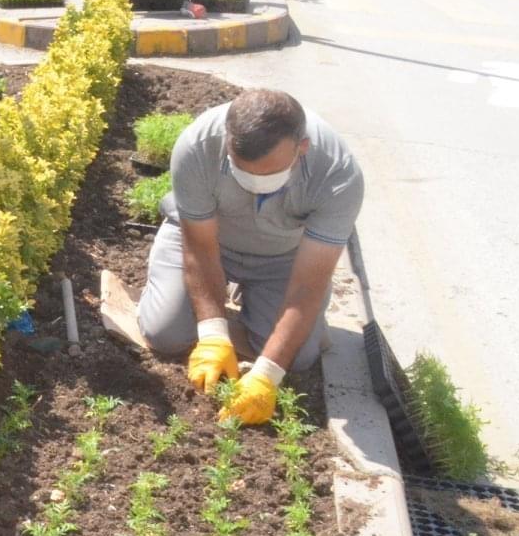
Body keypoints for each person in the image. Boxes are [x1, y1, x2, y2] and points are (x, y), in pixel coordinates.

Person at [136, 90, 363, 425]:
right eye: (243, 171)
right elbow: (200, 248)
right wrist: (213, 335)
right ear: (228, 142)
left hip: (282, 258)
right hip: (210, 241)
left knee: (297, 358)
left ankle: (260, 301)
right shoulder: (198, 144)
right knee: (165, 334)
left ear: (302, 149)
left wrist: (267, 376)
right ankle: (208, 305)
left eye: (269, 174)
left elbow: (309, 283)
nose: (256, 183)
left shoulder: (338, 174)